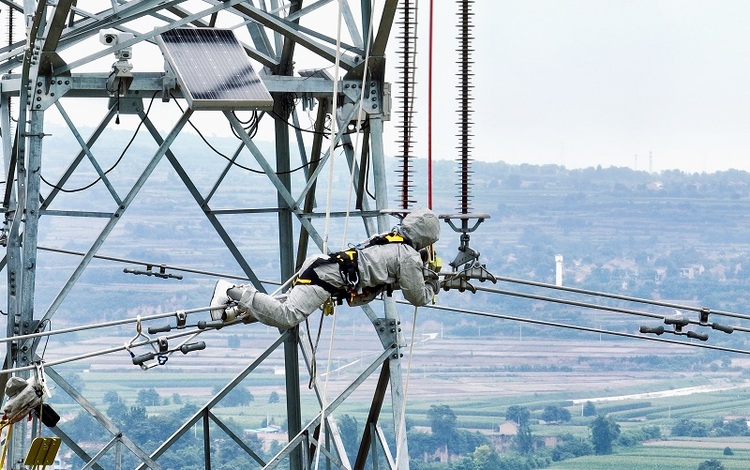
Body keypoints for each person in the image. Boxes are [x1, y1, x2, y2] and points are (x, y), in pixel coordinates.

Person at [209, 208, 441, 329]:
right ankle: (232, 290)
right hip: (325, 277)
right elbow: (418, 297)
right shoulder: (408, 257)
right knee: (289, 316)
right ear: (426, 237)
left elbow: (384, 269)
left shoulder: (389, 237)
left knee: (282, 308)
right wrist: (433, 282)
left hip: (323, 266)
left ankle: (235, 311)